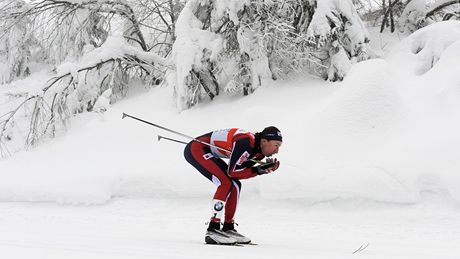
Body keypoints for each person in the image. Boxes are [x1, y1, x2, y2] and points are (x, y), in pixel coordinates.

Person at [184, 126, 282, 245]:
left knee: (235, 184)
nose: (277, 151)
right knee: (225, 182)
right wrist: (258, 170)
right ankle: (213, 228)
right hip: (197, 148)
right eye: (276, 145)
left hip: (209, 151)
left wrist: (264, 169)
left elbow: (242, 169)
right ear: (264, 141)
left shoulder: (259, 152)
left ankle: (228, 227)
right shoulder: (246, 142)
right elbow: (233, 172)